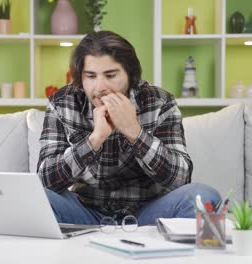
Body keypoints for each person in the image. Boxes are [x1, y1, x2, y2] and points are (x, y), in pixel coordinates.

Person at [37, 30, 220, 226]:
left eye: (110, 75)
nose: (100, 88)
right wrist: (94, 140)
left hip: (147, 211)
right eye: (90, 76)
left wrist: (135, 132)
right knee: (37, 200)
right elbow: (45, 180)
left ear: (129, 74)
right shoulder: (63, 103)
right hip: (85, 210)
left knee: (204, 197)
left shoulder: (160, 102)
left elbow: (181, 179)